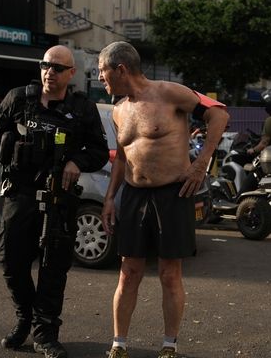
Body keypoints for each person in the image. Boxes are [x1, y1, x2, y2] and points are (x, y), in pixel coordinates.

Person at [0, 45, 109, 358]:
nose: (50, 72)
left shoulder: (83, 108)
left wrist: (76, 162)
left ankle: (46, 333)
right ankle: (25, 318)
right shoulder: (18, 99)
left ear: (71, 73)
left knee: (54, 267)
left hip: (59, 197)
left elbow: (99, 150)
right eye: (45, 65)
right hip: (20, 194)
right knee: (9, 258)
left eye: (58, 68)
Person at [98, 41, 229, 358]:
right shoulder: (119, 110)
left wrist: (201, 163)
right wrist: (110, 197)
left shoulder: (171, 93)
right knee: (128, 272)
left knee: (170, 273)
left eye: (103, 74)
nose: (102, 81)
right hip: (133, 194)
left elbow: (219, 115)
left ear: (121, 69)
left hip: (173, 192)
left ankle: (169, 345)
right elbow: (121, 158)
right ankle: (119, 344)